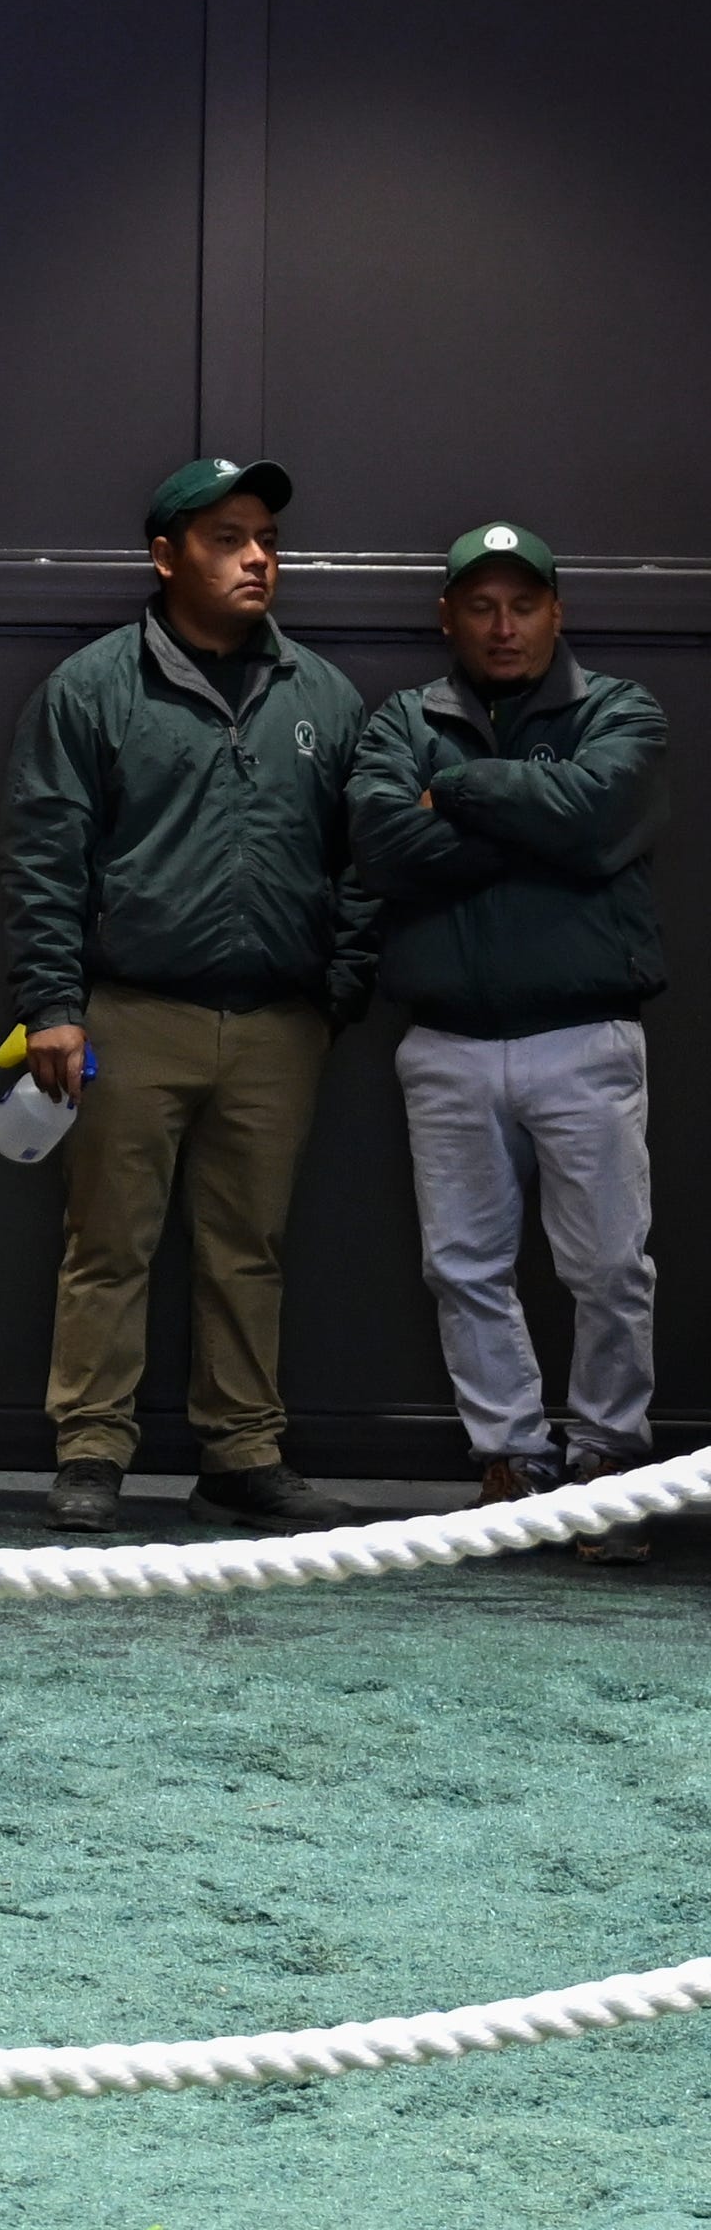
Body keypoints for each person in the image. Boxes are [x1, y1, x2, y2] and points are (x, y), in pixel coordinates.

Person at [0, 456, 374, 1534]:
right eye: (225, 538)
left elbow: (361, 863)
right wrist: (53, 1006)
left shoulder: (322, 694)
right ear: (165, 557)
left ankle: (242, 1450)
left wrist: (334, 989)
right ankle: (90, 1449)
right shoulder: (92, 689)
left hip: (277, 1023)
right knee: (107, 1241)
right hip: (128, 1014)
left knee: (247, 1246)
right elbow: (42, 859)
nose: (256, 557)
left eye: (264, 538)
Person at [350, 523, 669, 1561]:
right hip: (443, 1043)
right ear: (447, 614)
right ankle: (512, 1459)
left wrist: (465, 792)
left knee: (611, 1268)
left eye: (521, 603)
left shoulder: (618, 709)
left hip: (583, 1036)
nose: (501, 624)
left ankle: (607, 1464)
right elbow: (382, 845)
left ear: (555, 610)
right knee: (463, 1268)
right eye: (480, 605)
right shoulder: (403, 721)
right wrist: (535, 821)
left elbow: (594, 818)